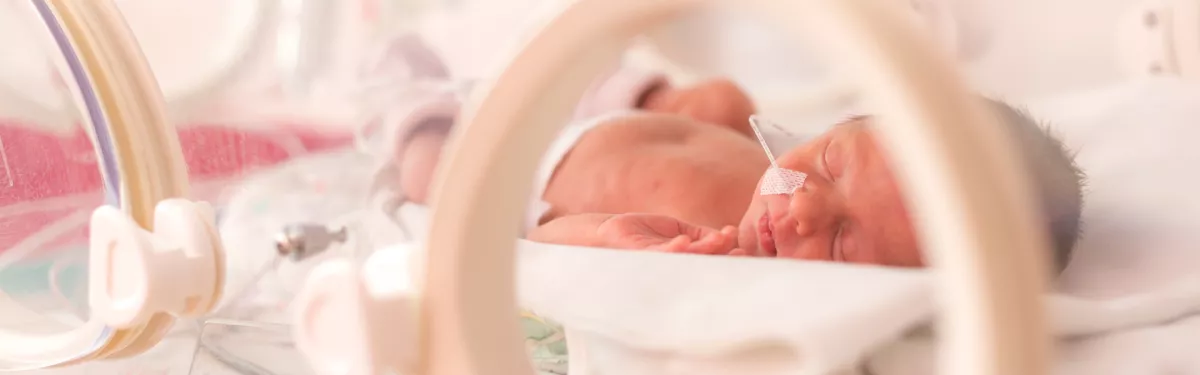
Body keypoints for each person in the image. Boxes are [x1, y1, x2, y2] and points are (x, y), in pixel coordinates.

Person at [380, 38, 1084, 271]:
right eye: (834, 164)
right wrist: (669, 102)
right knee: (716, 101)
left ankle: (403, 100)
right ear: (844, 124)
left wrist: (604, 236)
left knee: (428, 176)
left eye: (840, 243)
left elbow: (539, 245)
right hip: (591, 111)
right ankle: (450, 77)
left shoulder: (720, 252)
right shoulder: (778, 177)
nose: (802, 204)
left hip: (513, 175)